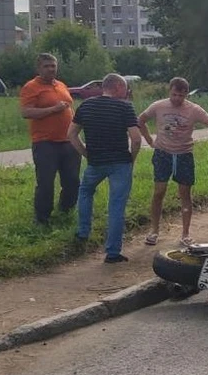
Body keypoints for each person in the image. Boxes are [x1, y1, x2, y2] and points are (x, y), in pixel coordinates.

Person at [138, 76, 208, 246]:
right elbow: (141, 120)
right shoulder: (158, 106)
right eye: (174, 94)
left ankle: (185, 234)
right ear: (170, 91)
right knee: (159, 192)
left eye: (181, 96)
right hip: (163, 153)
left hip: (184, 154)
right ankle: (154, 230)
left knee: (185, 194)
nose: (177, 99)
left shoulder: (194, 110)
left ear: (186, 95)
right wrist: (148, 140)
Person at [67, 74, 142, 263]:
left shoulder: (86, 105)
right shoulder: (125, 107)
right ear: (117, 87)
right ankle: (112, 252)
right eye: (125, 88)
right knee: (116, 206)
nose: (126, 93)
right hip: (120, 163)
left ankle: (83, 231)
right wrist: (131, 159)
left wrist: (86, 153)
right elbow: (136, 138)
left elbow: (72, 134)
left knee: (85, 192)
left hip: (95, 162)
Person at [19, 53, 80, 225]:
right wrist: (53, 109)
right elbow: (26, 112)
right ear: (39, 68)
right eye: (46, 66)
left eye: (53, 65)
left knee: (72, 180)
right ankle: (42, 219)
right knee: (46, 182)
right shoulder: (31, 87)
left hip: (68, 141)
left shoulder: (61, 85)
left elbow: (69, 109)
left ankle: (66, 211)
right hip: (45, 142)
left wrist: (76, 131)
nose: (51, 69)